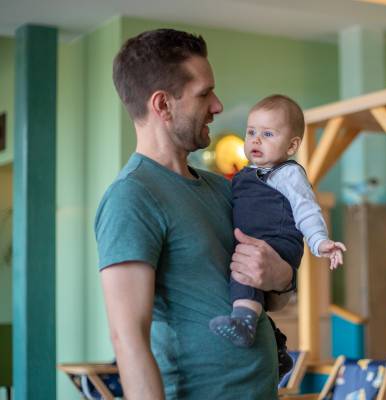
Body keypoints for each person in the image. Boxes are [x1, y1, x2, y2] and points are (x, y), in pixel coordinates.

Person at [95, 29, 294, 399]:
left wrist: (281, 277)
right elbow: (128, 339)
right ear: (162, 105)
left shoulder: (224, 189)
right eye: (205, 93)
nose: (218, 105)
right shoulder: (131, 197)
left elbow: (275, 298)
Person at [209, 95, 346, 352]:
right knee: (243, 273)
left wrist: (320, 241)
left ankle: (245, 324)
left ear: (292, 145)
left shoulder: (288, 174)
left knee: (244, 272)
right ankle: (273, 342)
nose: (256, 139)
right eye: (251, 132)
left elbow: (306, 208)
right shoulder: (244, 175)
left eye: (268, 134)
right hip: (257, 240)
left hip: (277, 241)